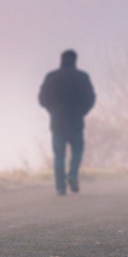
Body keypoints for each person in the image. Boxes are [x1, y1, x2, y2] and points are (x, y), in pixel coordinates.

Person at [39, 50, 96, 196]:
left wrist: (52, 110)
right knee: (77, 151)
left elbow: (42, 99)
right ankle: (72, 175)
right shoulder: (82, 77)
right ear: (75, 60)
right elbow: (91, 98)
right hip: (76, 121)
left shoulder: (51, 77)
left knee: (59, 155)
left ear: (61, 60)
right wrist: (82, 111)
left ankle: (60, 187)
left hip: (57, 122)